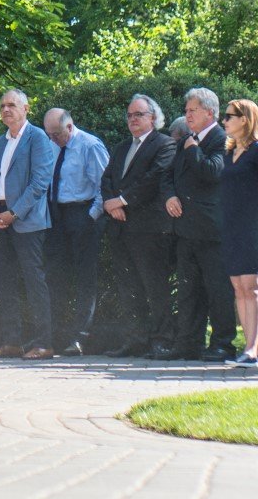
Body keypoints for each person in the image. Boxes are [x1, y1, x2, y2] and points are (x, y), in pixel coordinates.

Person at [159, 88, 235, 362]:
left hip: (211, 229)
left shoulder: (222, 139)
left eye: (192, 110)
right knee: (188, 290)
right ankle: (188, 342)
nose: (187, 115)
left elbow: (213, 173)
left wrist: (193, 151)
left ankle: (223, 343)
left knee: (217, 290)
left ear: (209, 112)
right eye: (187, 110)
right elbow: (167, 175)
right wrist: (169, 196)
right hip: (184, 228)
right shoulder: (186, 141)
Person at [0, 89, 56, 360]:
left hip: (26, 220)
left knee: (33, 281)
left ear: (26, 108)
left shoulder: (37, 138)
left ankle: (43, 343)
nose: (6, 110)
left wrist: (14, 212)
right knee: (5, 282)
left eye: (12, 105)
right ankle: (11, 341)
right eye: (2, 106)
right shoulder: (0, 143)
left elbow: (39, 183)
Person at [101, 95, 176, 357]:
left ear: (153, 118)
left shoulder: (164, 144)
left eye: (139, 115)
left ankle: (161, 340)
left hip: (149, 229)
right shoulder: (122, 147)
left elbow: (154, 178)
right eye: (130, 115)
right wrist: (112, 204)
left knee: (154, 287)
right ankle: (135, 339)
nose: (133, 119)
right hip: (120, 228)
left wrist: (122, 201)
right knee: (128, 287)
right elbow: (107, 177)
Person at [218, 99, 258, 366]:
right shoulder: (229, 152)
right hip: (232, 225)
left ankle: (254, 349)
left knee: (253, 286)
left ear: (245, 119)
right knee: (238, 286)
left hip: (254, 225)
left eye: (229, 116)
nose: (224, 121)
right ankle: (248, 348)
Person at [43, 108, 108, 356]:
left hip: (82, 213)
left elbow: (105, 185)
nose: (53, 139)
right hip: (56, 215)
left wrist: (90, 218)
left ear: (69, 127)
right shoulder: (52, 145)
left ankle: (80, 336)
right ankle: (56, 335)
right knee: (55, 275)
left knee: (84, 278)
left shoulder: (90, 145)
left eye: (57, 134)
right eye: (49, 134)